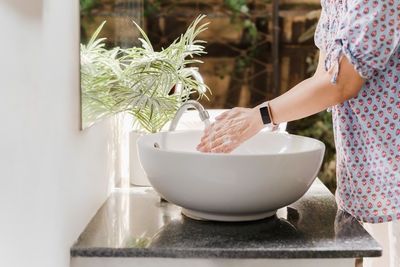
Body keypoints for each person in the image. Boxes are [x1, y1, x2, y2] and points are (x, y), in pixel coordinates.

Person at [197, 0, 399, 266]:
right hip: (368, 180)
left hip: (391, 174)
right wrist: (260, 120)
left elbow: (344, 84)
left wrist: (260, 116)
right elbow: (324, 78)